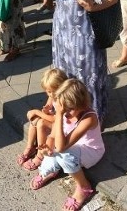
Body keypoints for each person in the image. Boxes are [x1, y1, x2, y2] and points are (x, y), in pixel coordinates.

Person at [29, 78, 104, 211]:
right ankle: (52, 170)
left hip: (91, 151)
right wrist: (47, 148)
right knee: (50, 160)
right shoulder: (65, 112)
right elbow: (53, 136)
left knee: (63, 154)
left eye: (68, 110)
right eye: (63, 109)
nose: (65, 114)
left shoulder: (89, 117)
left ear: (81, 105)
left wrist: (58, 114)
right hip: (72, 148)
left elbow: (62, 147)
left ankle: (84, 186)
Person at [17, 68, 68, 171]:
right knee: (35, 120)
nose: (50, 94)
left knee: (41, 123)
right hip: (56, 120)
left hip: (63, 126)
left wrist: (37, 112)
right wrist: (46, 108)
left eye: (51, 91)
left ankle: (40, 155)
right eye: (47, 91)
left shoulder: (63, 99)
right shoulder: (54, 94)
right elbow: (49, 103)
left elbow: (55, 119)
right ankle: (30, 147)